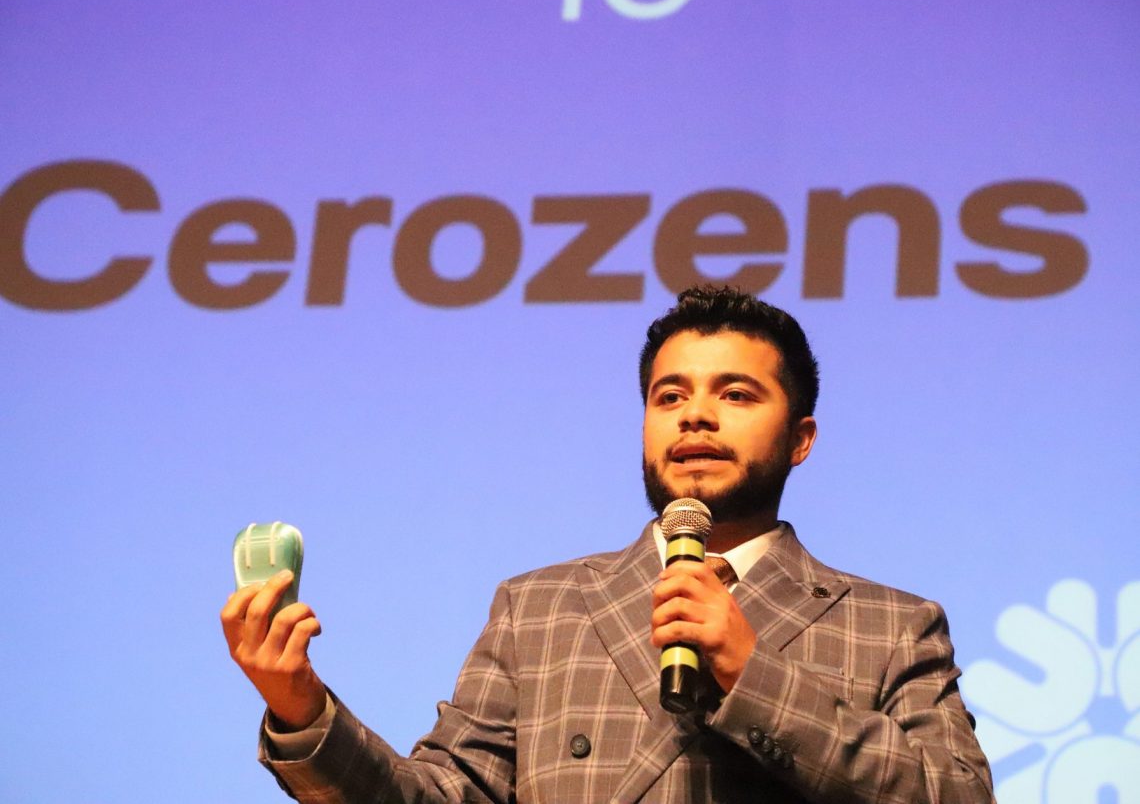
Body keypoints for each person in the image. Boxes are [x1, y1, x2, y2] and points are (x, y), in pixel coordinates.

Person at [221, 286, 995, 803]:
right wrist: (303, 709)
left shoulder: (891, 624)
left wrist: (752, 672)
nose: (695, 415)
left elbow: (957, 795)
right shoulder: (540, 607)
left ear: (801, 438)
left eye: (735, 393)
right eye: (669, 395)